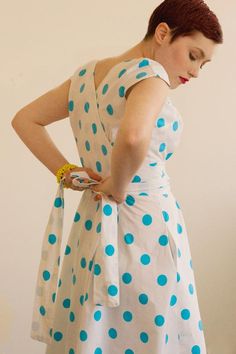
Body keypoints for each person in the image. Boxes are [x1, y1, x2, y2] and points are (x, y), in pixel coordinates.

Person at [11, 0, 223, 353]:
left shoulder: (87, 76)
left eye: (204, 63)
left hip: (92, 226)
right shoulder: (151, 75)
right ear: (163, 33)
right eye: (193, 55)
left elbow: (25, 119)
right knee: (149, 329)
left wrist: (66, 172)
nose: (197, 71)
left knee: (92, 329)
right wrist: (119, 186)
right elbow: (133, 136)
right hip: (144, 230)